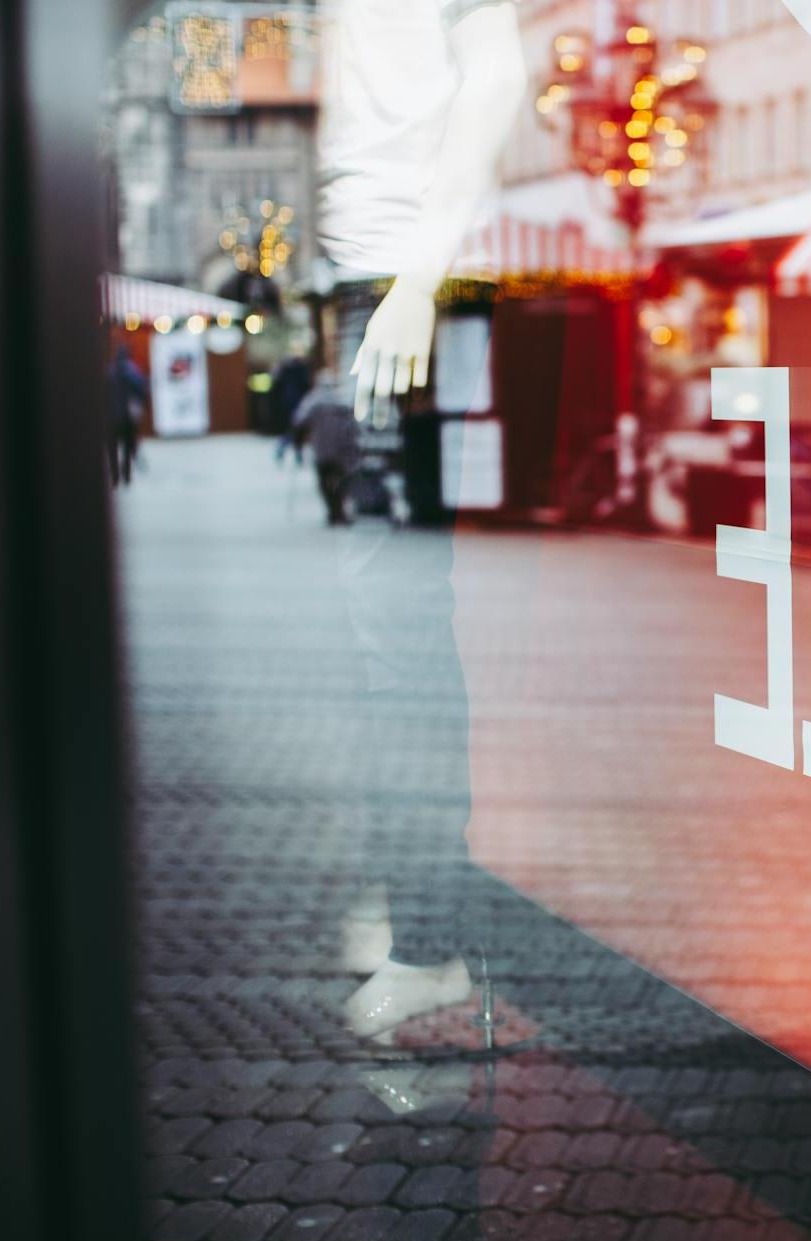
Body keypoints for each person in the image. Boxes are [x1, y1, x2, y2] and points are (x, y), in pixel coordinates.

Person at [315, 0, 528, 1040]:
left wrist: (415, 282)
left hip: (399, 293)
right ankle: (410, 907)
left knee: (396, 635)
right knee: (381, 630)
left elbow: (495, 83)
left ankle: (428, 942)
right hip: (378, 288)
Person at [288, 369, 360, 526]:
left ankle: (334, 510)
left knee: (325, 480)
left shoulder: (312, 401)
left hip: (322, 447)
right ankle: (339, 509)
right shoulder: (342, 400)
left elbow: (299, 421)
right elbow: (354, 424)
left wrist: (298, 443)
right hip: (343, 448)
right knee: (341, 479)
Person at [106, 344, 147, 487]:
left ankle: (115, 475)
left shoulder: (109, 372)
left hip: (110, 417)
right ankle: (127, 474)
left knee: (113, 449)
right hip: (127, 417)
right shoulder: (131, 371)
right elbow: (142, 388)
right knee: (127, 446)